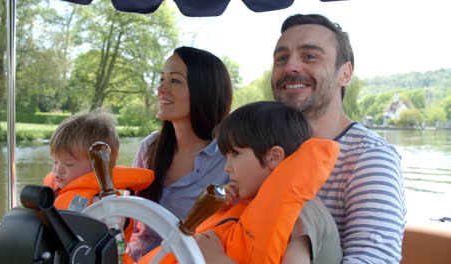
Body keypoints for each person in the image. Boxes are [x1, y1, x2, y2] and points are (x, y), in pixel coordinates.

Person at [271, 14, 406, 263]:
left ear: (345, 74)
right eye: (281, 58)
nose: (290, 67)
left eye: (310, 56)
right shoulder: (265, 148)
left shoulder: (370, 158)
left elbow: (374, 258)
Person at [138, 101, 341, 264]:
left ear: (274, 156)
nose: (227, 167)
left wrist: (216, 259)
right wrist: (220, 211)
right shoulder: (255, 203)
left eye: (235, 154)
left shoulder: (302, 215)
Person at [0, 110, 154, 249]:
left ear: (100, 167)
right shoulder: (58, 190)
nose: (58, 170)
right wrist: (3, 229)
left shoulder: (105, 205)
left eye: (69, 164)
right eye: (55, 161)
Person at [128, 46, 233, 260]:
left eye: (175, 81)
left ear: (204, 91)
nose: (161, 89)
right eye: (161, 79)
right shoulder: (149, 147)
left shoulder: (231, 157)